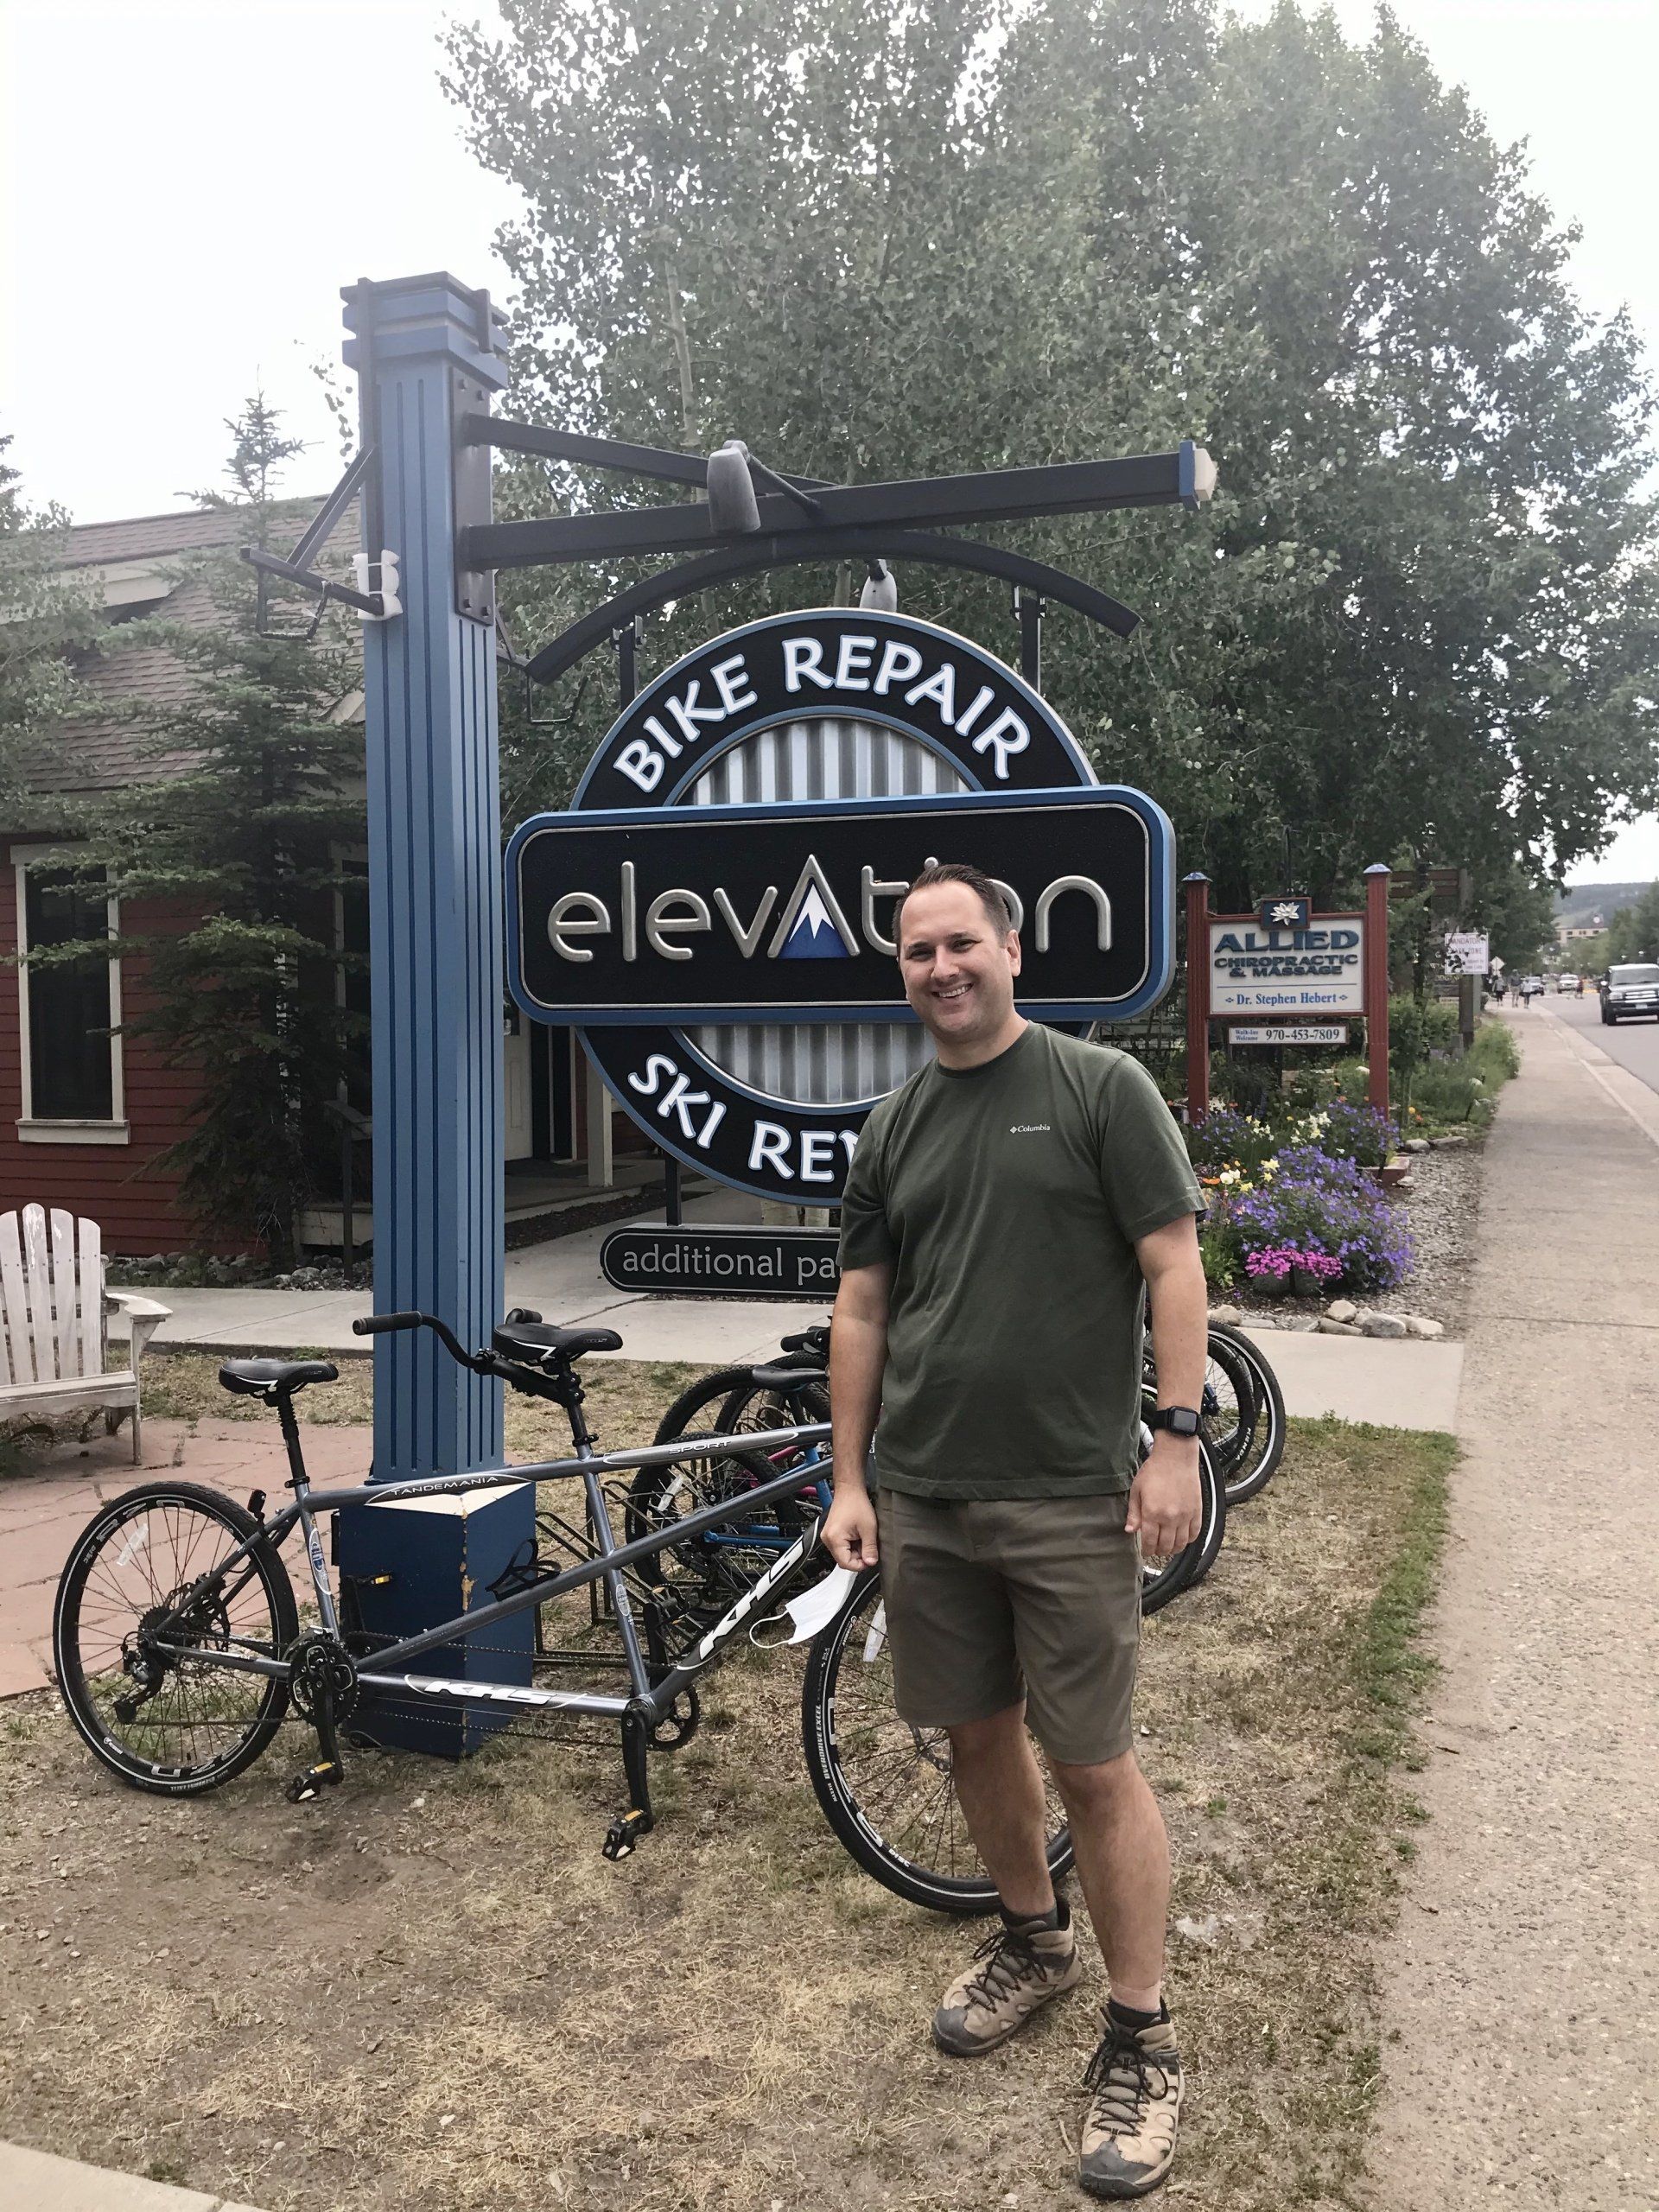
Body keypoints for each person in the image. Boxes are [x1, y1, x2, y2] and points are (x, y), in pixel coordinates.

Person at [823, 861, 1206, 2202]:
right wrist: (850, 1480)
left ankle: (1143, 2034)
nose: (942, 968)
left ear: (1014, 947)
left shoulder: (1101, 1092)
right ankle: (1032, 1943)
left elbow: (1171, 1262)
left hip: (1063, 1495)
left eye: (962, 942)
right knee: (975, 1733)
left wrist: (1176, 1437)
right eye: (919, 950)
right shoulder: (892, 1125)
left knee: (1094, 1763)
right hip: (926, 1491)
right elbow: (865, 1307)